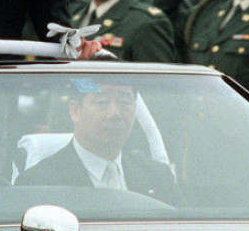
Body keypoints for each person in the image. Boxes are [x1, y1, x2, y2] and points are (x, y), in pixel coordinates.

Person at [16, 80, 179, 204]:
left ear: (135, 108)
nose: (114, 114)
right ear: (75, 111)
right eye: (101, 102)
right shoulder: (38, 183)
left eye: (124, 103)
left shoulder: (158, 176)